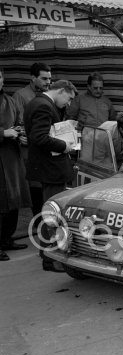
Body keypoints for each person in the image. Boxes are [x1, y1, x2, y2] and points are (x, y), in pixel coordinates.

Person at [25, 80, 78, 272]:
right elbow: (39, 136)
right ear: (61, 91)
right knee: (53, 213)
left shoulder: (39, 103)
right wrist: (64, 145)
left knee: (51, 211)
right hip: (51, 168)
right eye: (69, 98)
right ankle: (51, 258)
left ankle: (47, 253)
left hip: (48, 167)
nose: (69, 103)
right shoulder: (43, 106)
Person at [12, 62, 51, 223]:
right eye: (44, 78)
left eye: (49, 78)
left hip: (47, 148)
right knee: (34, 187)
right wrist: (21, 134)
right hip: (29, 150)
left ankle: (47, 221)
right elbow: (16, 122)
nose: (48, 82)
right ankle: (39, 222)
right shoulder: (20, 96)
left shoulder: (50, 94)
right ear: (33, 78)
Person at [0, 69, 31, 261]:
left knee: (14, 201)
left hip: (12, 158)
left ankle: (6, 240)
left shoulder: (10, 100)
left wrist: (20, 133)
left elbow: (19, 121)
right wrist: (3, 133)